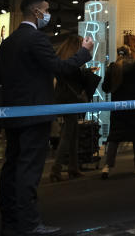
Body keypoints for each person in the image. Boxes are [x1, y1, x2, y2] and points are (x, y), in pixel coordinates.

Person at [0, 0, 93, 236]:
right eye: (46, 10)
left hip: (13, 114)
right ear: (37, 13)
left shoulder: (8, 43)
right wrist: (84, 52)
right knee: (28, 170)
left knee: (12, 167)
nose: (49, 15)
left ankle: (10, 220)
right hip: (35, 114)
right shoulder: (36, 39)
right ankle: (29, 223)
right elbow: (60, 68)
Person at [100, 45, 135, 179]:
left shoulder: (113, 67)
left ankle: (107, 166)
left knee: (114, 137)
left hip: (118, 108)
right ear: (130, 53)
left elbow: (105, 87)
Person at [49, 35, 92, 181]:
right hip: (71, 99)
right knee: (68, 135)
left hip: (62, 98)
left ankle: (73, 167)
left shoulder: (61, 58)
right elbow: (77, 80)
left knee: (73, 132)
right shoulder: (73, 63)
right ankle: (56, 169)